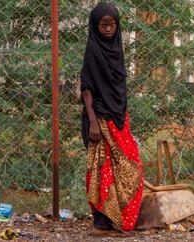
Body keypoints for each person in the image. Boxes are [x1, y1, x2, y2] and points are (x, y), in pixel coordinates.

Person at [80, 1, 144, 235]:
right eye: (103, 25)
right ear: (95, 26)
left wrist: (121, 114)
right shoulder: (93, 50)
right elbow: (86, 88)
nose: (108, 29)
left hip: (118, 116)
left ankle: (116, 220)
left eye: (112, 25)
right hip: (101, 119)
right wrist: (94, 122)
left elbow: (118, 87)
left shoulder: (116, 49)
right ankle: (102, 223)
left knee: (127, 167)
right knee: (102, 169)